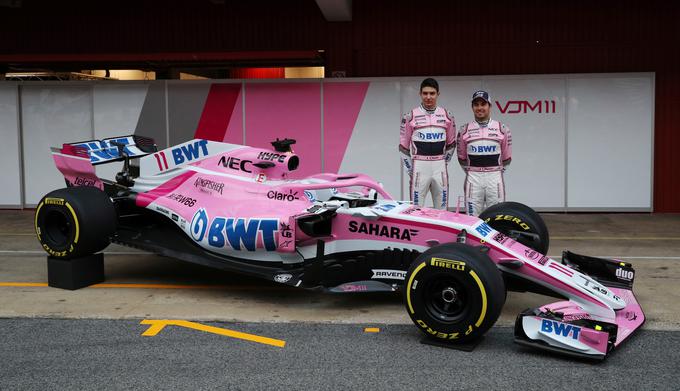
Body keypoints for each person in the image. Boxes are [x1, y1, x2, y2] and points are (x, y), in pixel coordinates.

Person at [398, 78, 456, 209]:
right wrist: (411, 170)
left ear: (438, 94)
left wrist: (443, 162)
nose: (428, 97)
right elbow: (403, 148)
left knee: (442, 209)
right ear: (420, 94)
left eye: (432, 93)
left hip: (439, 166)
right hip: (419, 166)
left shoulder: (447, 116)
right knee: (416, 210)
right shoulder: (410, 116)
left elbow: (451, 144)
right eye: (425, 93)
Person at [457, 90, 512, 216]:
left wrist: (496, 171)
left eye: (483, 104)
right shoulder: (464, 130)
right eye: (476, 105)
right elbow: (461, 158)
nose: (480, 108)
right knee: (472, 218)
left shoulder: (502, 129)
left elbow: (507, 158)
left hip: (495, 177)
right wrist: (473, 171)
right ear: (472, 107)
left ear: (490, 106)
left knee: (497, 216)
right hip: (473, 178)